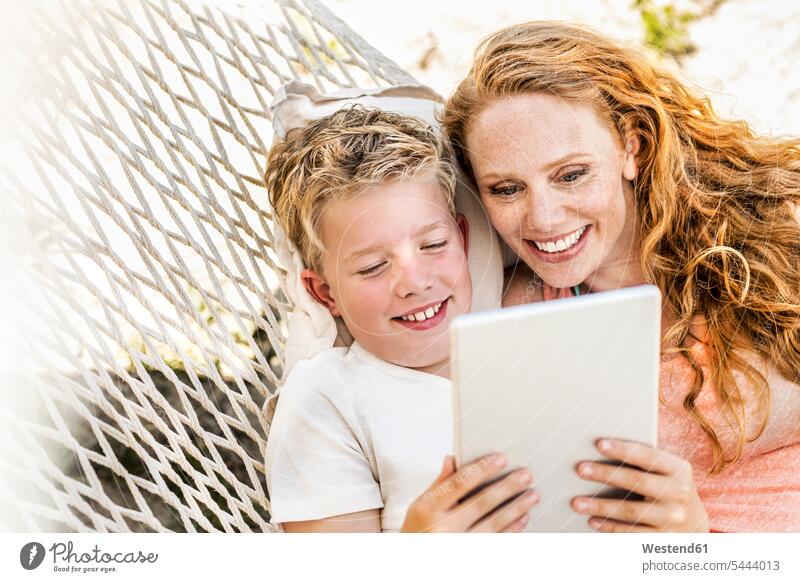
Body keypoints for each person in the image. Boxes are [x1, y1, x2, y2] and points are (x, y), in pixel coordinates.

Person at [442, 21, 800, 532]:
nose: (543, 218)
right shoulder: (518, 318)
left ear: (630, 147)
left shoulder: (775, 235)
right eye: (505, 189)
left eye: (571, 174)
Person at [263, 105, 539, 532]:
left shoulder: (538, 339)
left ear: (463, 241)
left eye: (432, 244)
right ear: (325, 293)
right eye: (373, 266)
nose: (414, 281)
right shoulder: (328, 397)